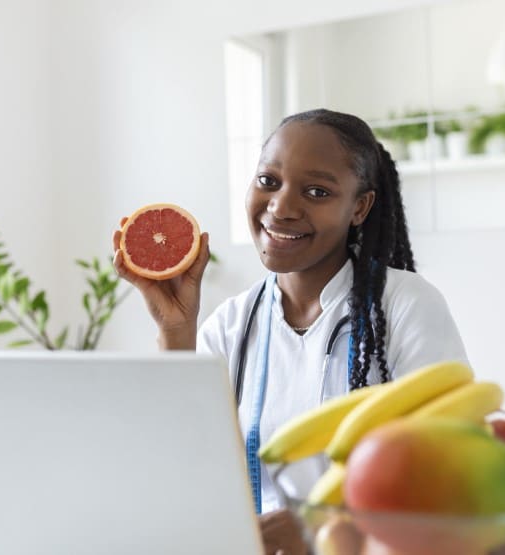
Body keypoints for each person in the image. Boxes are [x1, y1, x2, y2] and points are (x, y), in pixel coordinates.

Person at [112, 108, 470, 553]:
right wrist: (175, 331)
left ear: (359, 207)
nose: (280, 207)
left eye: (317, 191)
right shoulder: (232, 323)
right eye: (268, 181)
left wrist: (323, 527)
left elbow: (453, 470)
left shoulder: (404, 305)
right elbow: (182, 466)